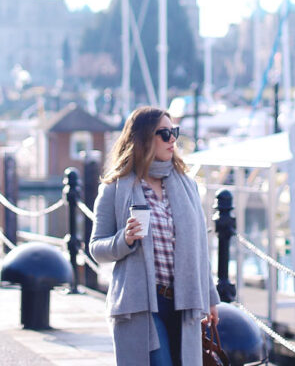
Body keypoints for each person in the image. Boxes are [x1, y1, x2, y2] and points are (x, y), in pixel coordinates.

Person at [90, 106, 220, 366]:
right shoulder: (116, 188)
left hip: (185, 301)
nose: (172, 139)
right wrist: (124, 240)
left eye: (174, 132)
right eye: (164, 133)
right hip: (142, 305)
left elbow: (200, 249)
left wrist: (211, 298)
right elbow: (96, 247)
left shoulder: (187, 185)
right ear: (143, 138)